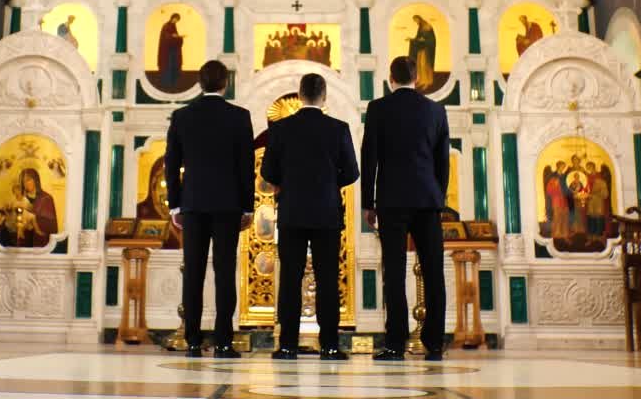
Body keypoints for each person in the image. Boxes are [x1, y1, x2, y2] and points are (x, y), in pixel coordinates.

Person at [261, 73, 359, 361]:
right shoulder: (338, 129)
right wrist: (329, 183)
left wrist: (287, 182)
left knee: (290, 279)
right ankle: (329, 345)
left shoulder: (281, 128)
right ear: (323, 96)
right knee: (328, 278)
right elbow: (352, 172)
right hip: (327, 213)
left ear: (300, 95)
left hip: (291, 211)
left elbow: (268, 172)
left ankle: (287, 344)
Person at [361, 56, 451, 361]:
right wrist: (439, 198)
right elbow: (442, 161)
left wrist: (368, 203)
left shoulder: (378, 108)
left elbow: (369, 158)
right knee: (433, 271)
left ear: (391, 79)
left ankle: (394, 344)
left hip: (392, 201)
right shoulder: (436, 110)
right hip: (428, 201)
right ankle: (434, 343)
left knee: (394, 272)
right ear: (417, 78)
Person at [165, 60, 255, 358]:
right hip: (228, 206)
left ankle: (192, 341)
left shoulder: (183, 116)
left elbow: (171, 164)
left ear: (199, 83)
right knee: (225, 272)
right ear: (225, 83)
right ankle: (224, 342)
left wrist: (175, 205)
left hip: (192, 205)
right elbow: (246, 166)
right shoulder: (239, 117)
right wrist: (247, 207)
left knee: (193, 272)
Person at [407, 15, 437, 92]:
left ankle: (427, 82)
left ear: (419, 19)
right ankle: (421, 80)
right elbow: (418, 37)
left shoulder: (427, 26)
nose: (416, 22)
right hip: (421, 48)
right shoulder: (420, 27)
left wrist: (424, 39)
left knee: (424, 64)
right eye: (415, 21)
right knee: (419, 64)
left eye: (416, 20)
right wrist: (412, 39)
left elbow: (431, 39)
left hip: (426, 50)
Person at [157, 13, 185, 91]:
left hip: (172, 50)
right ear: (172, 18)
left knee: (173, 65)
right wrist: (176, 36)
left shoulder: (173, 26)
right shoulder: (166, 26)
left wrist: (178, 37)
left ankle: (172, 84)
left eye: (177, 20)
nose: (176, 21)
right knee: (168, 66)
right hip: (167, 51)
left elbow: (174, 36)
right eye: (176, 19)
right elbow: (167, 36)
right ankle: (167, 84)